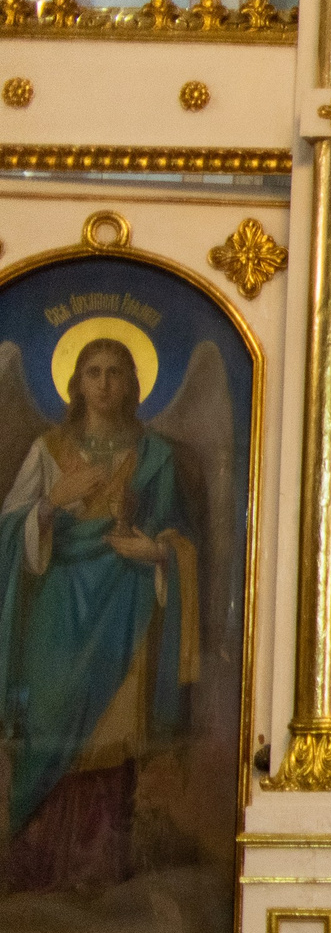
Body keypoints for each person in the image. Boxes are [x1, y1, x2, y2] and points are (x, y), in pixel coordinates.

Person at [0, 338, 197, 892]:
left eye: (116, 372)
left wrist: (158, 552)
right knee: (49, 728)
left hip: (126, 605)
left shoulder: (155, 455)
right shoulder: (47, 450)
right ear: (76, 383)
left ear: (134, 383)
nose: (105, 383)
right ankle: (33, 862)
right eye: (93, 372)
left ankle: (95, 869)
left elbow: (178, 533)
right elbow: (8, 533)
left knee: (109, 741)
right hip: (56, 611)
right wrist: (50, 503)